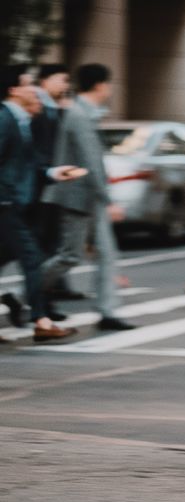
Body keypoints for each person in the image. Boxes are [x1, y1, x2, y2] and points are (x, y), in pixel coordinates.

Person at [39, 64, 135, 331]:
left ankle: (107, 311)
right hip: (77, 196)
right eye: (109, 84)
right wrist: (109, 200)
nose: (110, 89)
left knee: (106, 253)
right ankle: (29, 290)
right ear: (100, 85)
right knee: (70, 255)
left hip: (88, 196)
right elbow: (91, 162)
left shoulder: (85, 113)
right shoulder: (79, 114)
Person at [0, 64, 83, 341]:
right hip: (5, 203)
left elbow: (28, 165)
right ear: (13, 90)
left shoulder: (21, 121)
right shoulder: (4, 119)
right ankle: (41, 321)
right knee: (33, 258)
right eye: (27, 84)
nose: (33, 89)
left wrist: (54, 173)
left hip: (12, 203)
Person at [32, 63, 84, 304]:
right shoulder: (38, 108)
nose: (65, 84)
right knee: (36, 246)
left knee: (50, 243)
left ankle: (46, 298)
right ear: (45, 81)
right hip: (40, 185)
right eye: (61, 79)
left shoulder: (55, 108)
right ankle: (37, 299)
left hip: (53, 183)